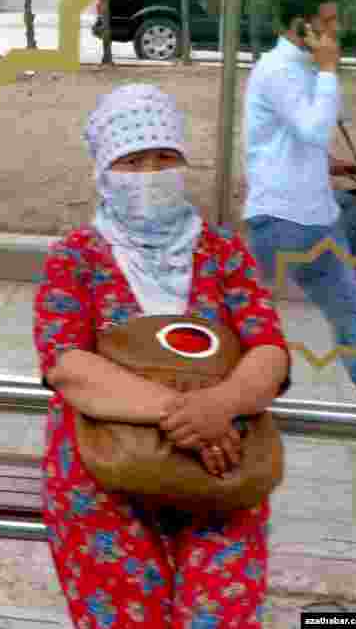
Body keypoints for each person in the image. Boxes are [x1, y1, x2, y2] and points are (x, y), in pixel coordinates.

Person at [34, 84, 290, 629]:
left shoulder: (224, 252)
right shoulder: (75, 258)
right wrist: (190, 415)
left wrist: (221, 404)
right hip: (105, 476)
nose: (151, 173)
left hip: (222, 470)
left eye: (164, 157)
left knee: (217, 616)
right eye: (132, 161)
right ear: (104, 171)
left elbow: (269, 349)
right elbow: (67, 364)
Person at [242, 0, 356, 402]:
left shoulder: (306, 67)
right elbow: (312, 127)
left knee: (351, 318)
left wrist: (328, 164)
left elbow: (290, 136)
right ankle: (236, 407)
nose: (336, 30)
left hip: (320, 218)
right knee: (251, 321)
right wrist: (328, 70)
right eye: (326, 22)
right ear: (299, 27)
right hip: (278, 219)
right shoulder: (277, 71)